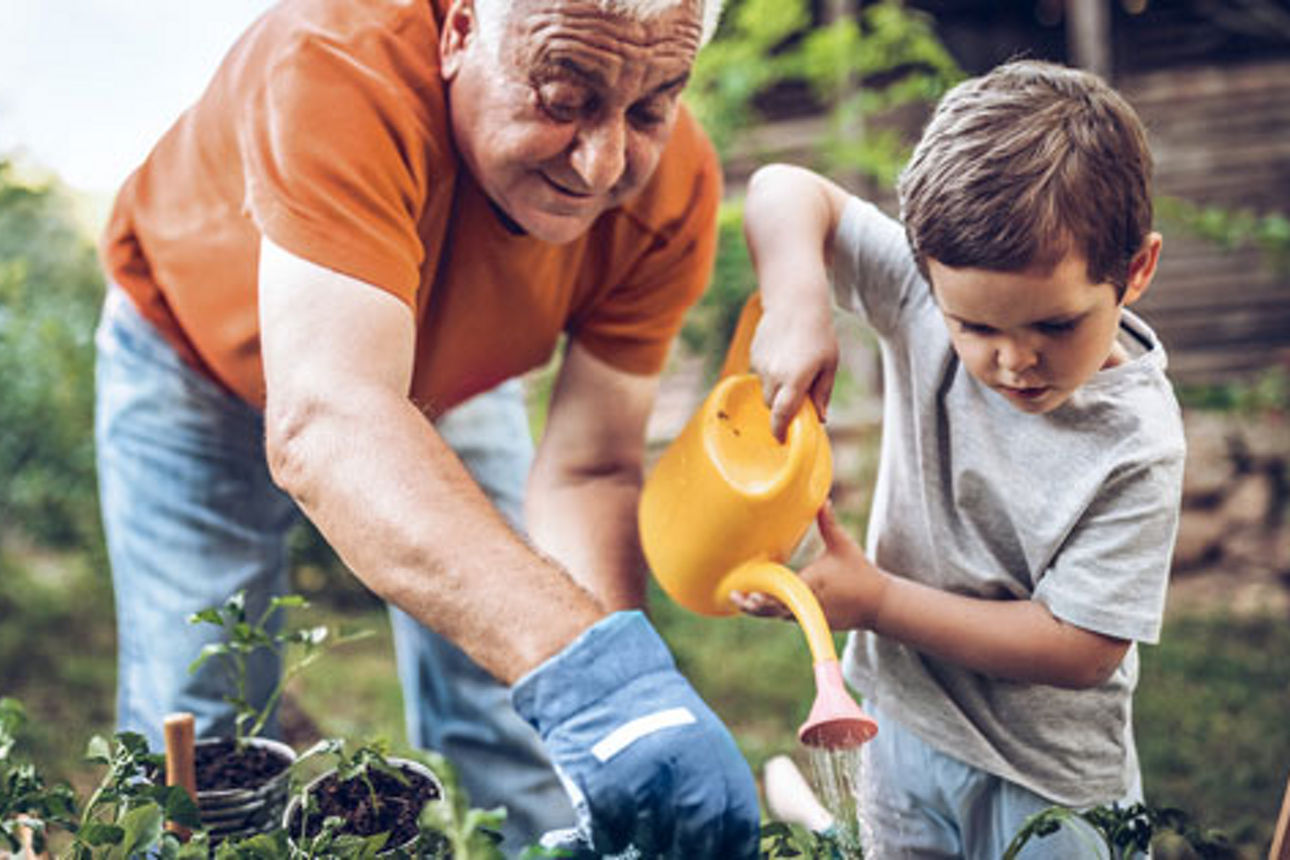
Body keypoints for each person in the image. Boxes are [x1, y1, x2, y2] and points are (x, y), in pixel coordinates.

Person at [94, 0, 761, 855]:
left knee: (516, 694)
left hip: (444, 378)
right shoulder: (337, 61)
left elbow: (590, 468)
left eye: (649, 110)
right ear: (460, 32)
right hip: (192, 360)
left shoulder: (670, 189)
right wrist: (587, 673)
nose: (602, 165)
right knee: (209, 722)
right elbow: (330, 418)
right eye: (563, 99)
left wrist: (627, 699)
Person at [735, 60, 1185, 858]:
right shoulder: (920, 295)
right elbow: (781, 189)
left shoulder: (1137, 441)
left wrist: (877, 601)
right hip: (901, 729)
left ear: (1136, 271)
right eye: (975, 328)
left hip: (1048, 780)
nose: (1014, 360)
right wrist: (798, 302)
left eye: (1055, 325)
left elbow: (1081, 649)